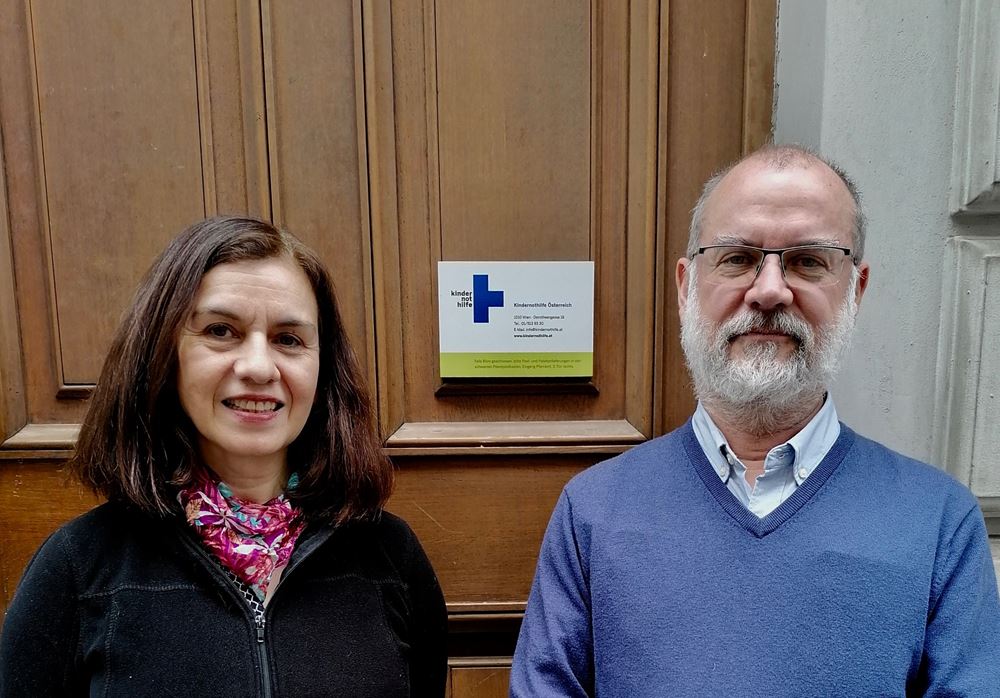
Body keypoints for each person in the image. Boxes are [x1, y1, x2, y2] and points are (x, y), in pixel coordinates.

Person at [510, 145, 1000, 696]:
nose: (769, 290)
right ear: (685, 285)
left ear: (856, 291)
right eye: (738, 258)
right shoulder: (593, 512)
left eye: (808, 260)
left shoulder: (937, 523)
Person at [0, 216, 447, 696]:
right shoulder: (78, 567)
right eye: (220, 330)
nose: (258, 367)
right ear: (164, 354)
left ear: (323, 366)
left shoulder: (391, 558)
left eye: (288, 340)